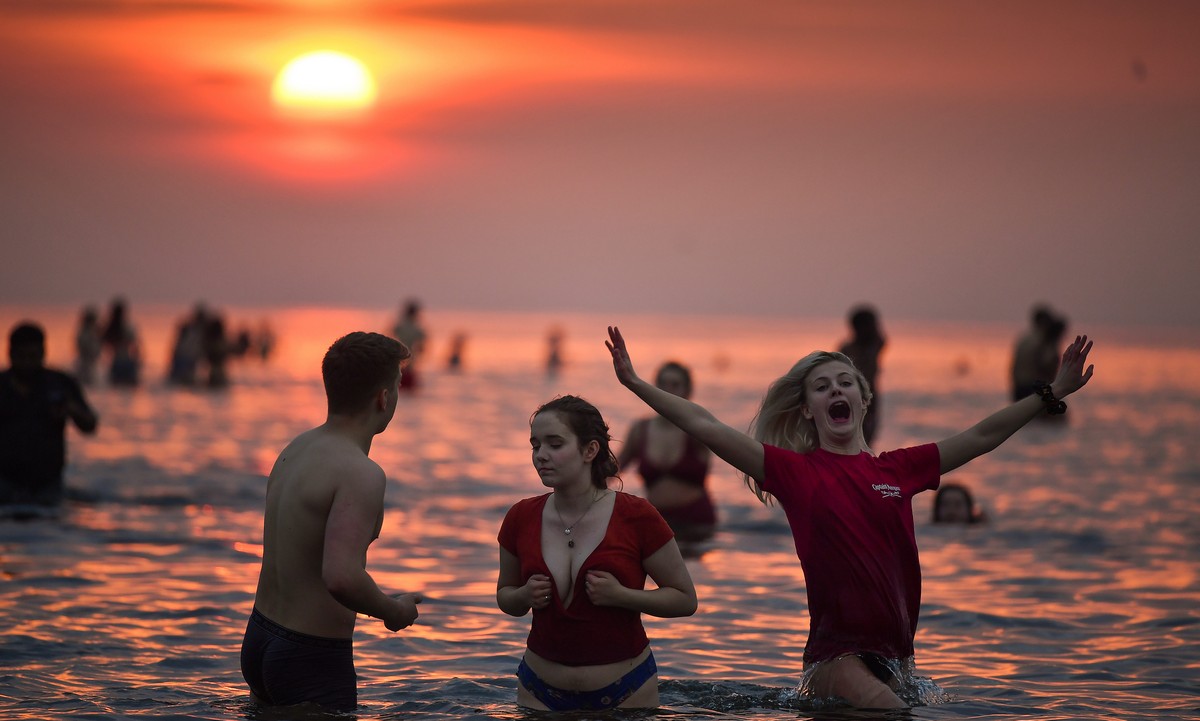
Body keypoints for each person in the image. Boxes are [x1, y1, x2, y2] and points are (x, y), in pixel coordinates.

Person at [606, 326, 1094, 709]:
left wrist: (1052, 394)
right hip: (834, 660)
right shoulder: (795, 474)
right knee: (890, 713)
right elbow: (704, 423)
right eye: (821, 387)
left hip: (897, 660)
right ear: (808, 410)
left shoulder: (900, 469)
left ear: (864, 400)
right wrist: (634, 382)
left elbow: (983, 434)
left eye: (844, 383)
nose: (834, 390)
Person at [241, 332, 422, 712]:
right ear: (383, 398)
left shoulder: (295, 449)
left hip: (260, 636)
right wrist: (394, 611)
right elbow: (340, 576)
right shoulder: (361, 473)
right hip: (309, 653)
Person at [497, 395, 697, 711]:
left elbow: (685, 600)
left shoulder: (637, 516)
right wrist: (523, 595)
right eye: (536, 446)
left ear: (590, 450)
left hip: (627, 691)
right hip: (538, 691)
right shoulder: (520, 517)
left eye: (555, 444)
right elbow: (505, 597)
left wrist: (623, 596)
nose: (541, 456)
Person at [616, 361, 717, 546]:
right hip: (656, 521)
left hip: (696, 523)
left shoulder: (698, 429)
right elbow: (612, 470)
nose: (667, 389)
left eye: (675, 385)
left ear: (688, 391)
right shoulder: (640, 430)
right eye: (662, 383)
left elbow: (730, 447)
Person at [0, 322, 99, 510]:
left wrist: (71, 409)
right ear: (10, 353)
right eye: (22, 357)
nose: (28, 363)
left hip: (48, 485)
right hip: (5, 482)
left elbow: (90, 425)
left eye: (33, 356)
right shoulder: (2, 386)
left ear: (43, 353)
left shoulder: (60, 383)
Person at [838, 305, 886, 446]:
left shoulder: (873, 345)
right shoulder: (848, 349)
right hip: (852, 398)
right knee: (856, 438)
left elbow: (880, 338)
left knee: (866, 439)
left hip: (870, 398)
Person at [1010, 304, 1066, 402]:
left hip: (1019, 388)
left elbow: (1014, 368)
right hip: (1035, 388)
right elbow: (1046, 366)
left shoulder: (1023, 339)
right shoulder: (1044, 341)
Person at [391, 299, 427, 391]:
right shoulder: (416, 328)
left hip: (399, 360)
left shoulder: (400, 325)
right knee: (409, 389)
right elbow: (422, 347)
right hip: (410, 362)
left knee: (399, 388)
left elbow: (389, 337)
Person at [74, 305, 103, 386]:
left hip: (91, 363)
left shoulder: (93, 333)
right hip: (85, 363)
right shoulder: (84, 334)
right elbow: (83, 347)